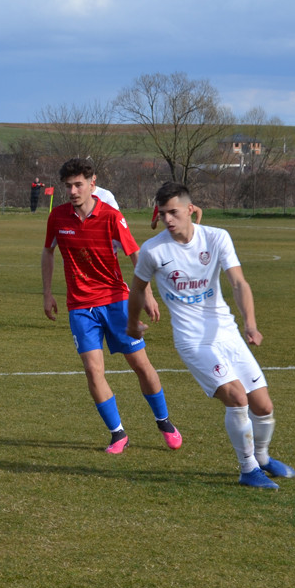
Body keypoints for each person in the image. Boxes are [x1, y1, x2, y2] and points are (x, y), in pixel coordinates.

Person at [128, 182, 295, 489]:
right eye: (163, 214)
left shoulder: (217, 237)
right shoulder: (153, 249)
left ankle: (261, 458)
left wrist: (250, 325)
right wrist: (132, 324)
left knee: (263, 406)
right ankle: (247, 469)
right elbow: (137, 289)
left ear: (190, 209)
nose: (168, 219)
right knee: (236, 397)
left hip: (227, 333)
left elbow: (239, 283)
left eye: (173, 212)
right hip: (192, 341)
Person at [41, 158, 181, 453]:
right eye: (68, 186)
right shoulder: (58, 217)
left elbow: (135, 254)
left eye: (78, 185)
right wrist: (47, 293)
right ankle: (118, 434)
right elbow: (48, 252)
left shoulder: (111, 216)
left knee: (140, 365)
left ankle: (164, 421)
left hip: (116, 302)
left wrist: (148, 295)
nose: (73, 191)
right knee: (93, 371)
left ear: (92, 183)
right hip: (80, 307)